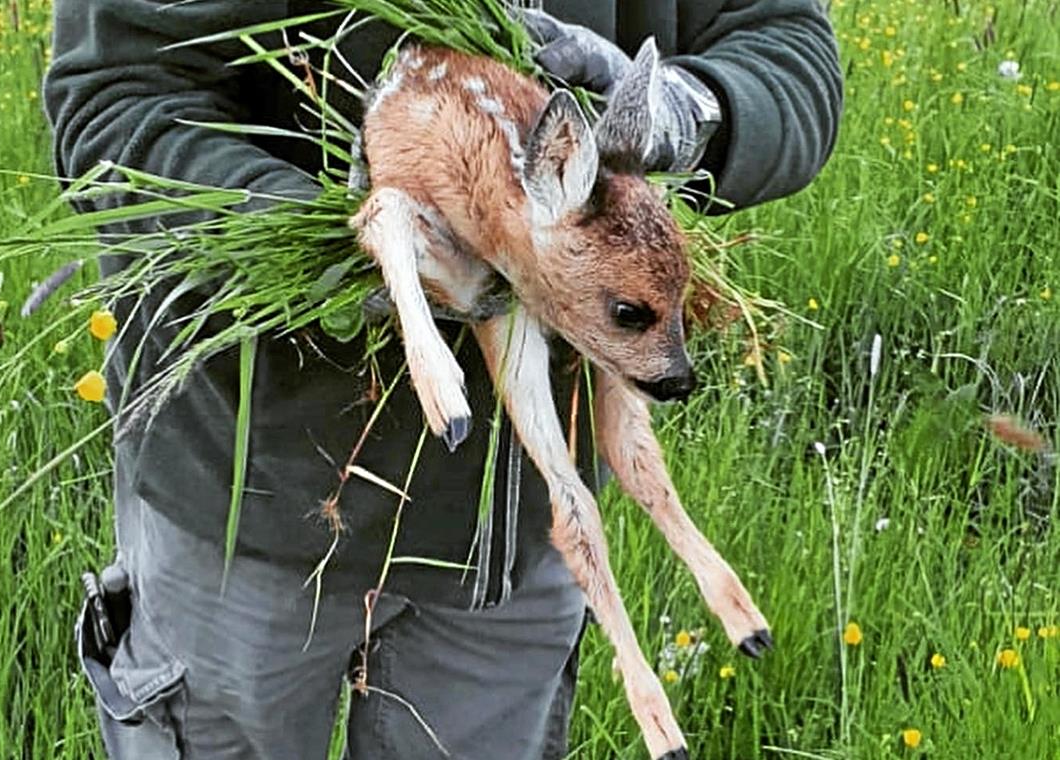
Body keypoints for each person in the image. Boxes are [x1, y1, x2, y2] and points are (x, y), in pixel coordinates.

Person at [45, 1, 841, 758]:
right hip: (247, 511)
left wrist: (687, 113)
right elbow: (117, 95)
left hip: (517, 542)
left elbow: (784, 46)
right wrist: (328, 243)